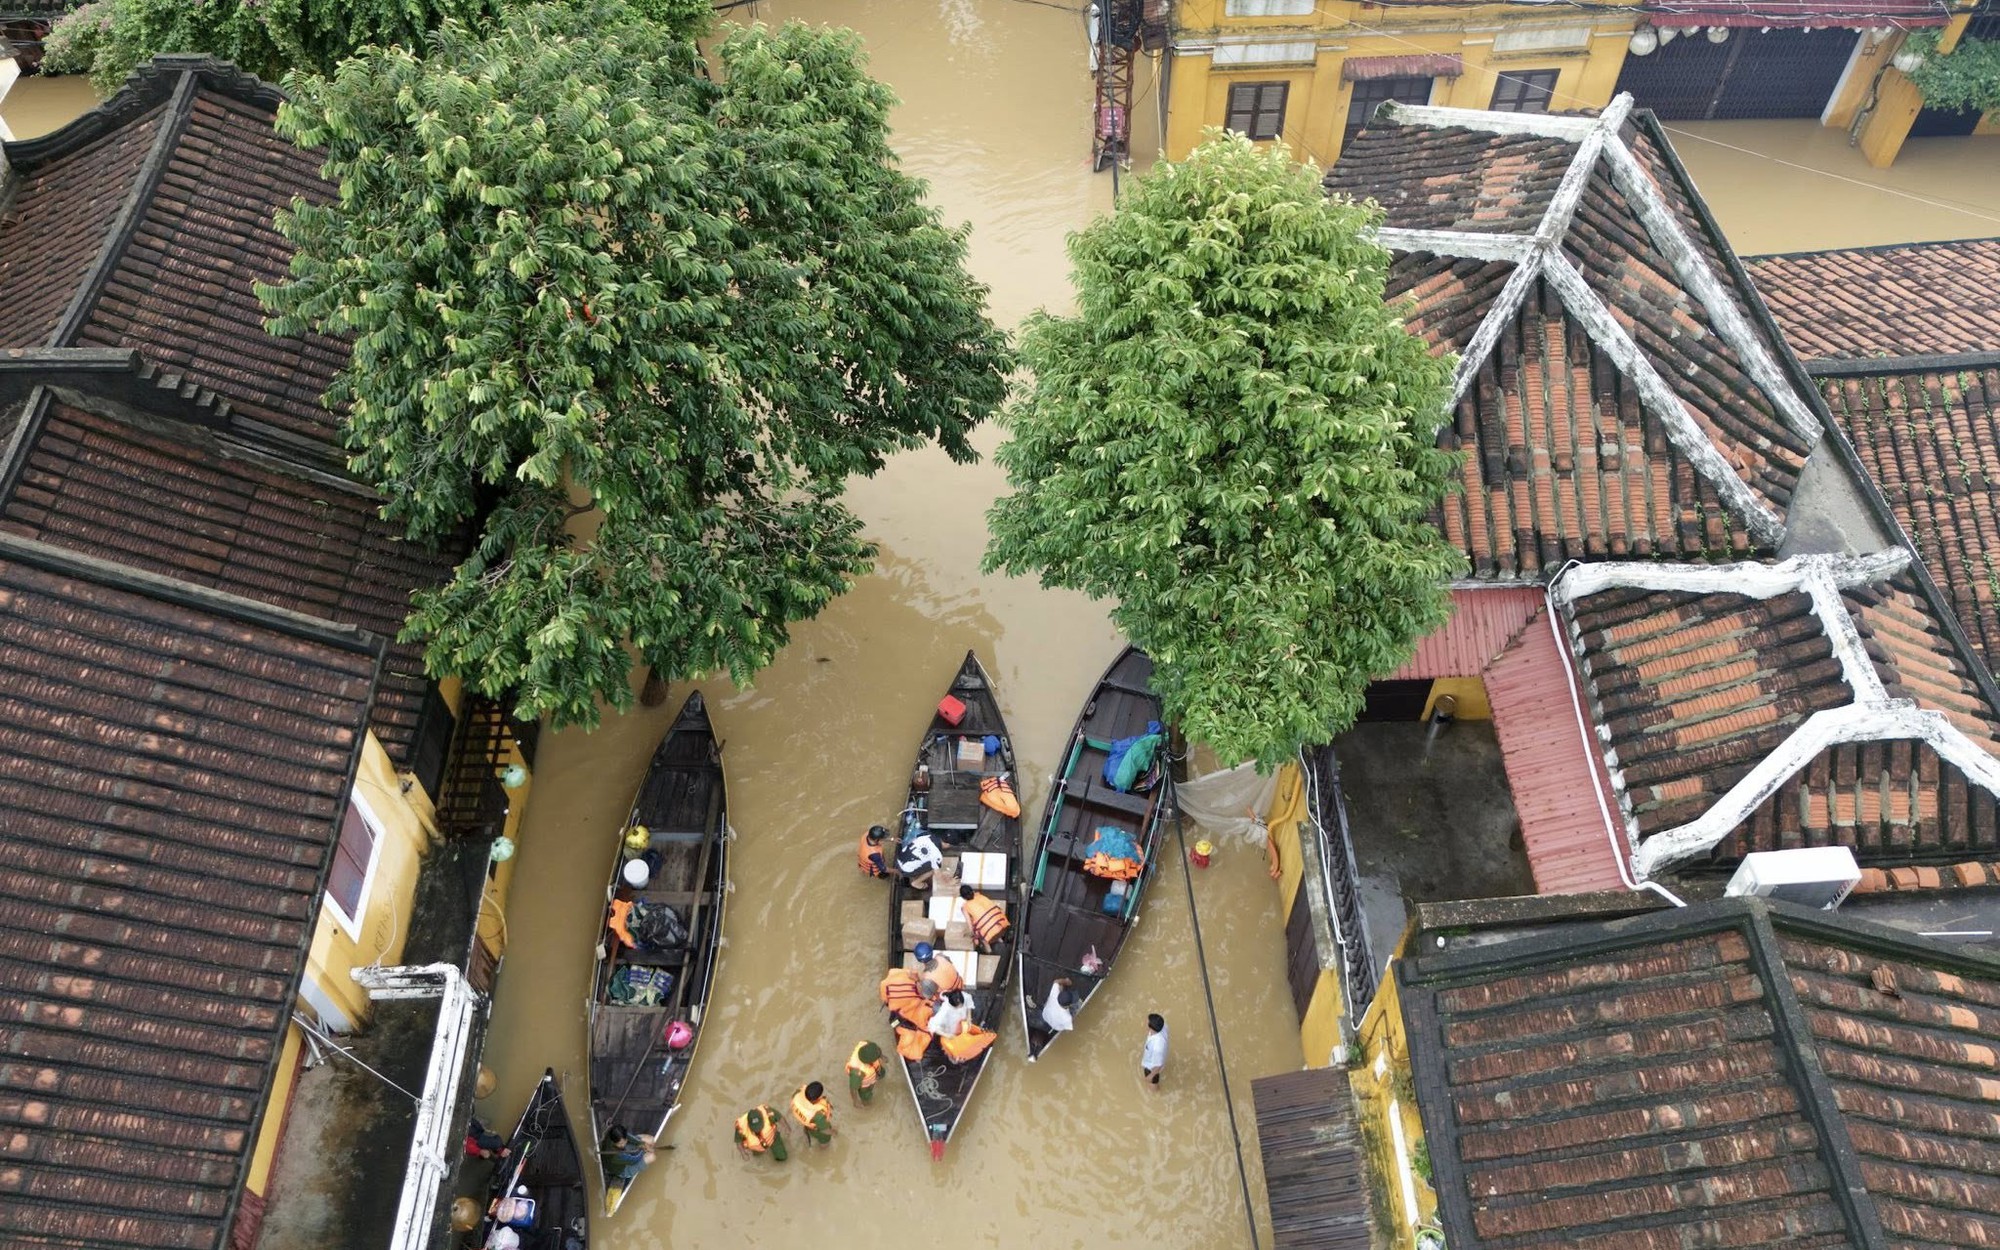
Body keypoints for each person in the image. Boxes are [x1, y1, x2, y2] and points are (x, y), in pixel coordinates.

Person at [960, 884, 1010, 951]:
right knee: (991, 926)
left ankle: (989, 952)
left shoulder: (965, 907)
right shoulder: (980, 896)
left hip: (990, 935)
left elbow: (970, 927)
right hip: (1003, 926)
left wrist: (973, 936)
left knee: (980, 937)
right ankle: (1001, 941)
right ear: (972, 891)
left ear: (963, 898)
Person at [791, 1081, 836, 1146]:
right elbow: (825, 1130)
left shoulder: (796, 1095)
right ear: (816, 1099)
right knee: (825, 1143)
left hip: (807, 1125)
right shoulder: (818, 1115)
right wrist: (834, 1132)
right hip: (817, 1131)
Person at [846, 1040, 887, 1106]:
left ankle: (879, 1077)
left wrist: (882, 1056)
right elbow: (853, 1088)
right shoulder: (857, 1072)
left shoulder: (865, 1044)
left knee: (881, 1073)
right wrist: (855, 1101)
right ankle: (867, 1105)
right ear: (869, 1062)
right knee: (866, 1097)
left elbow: (877, 1049)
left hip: (875, 1071)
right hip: (865, 1085)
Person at [1142, 1013, 1169, 1087]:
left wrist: (1150, 1076)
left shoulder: (1157, 1047)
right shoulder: (1163, 1026)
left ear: (1151, 1028)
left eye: (1147, 1022)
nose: (1145, 1022)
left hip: (1151, 1067)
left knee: (1153, 1085)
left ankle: (1156, 1094)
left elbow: (1158, 1065)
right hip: (1157, 1057)